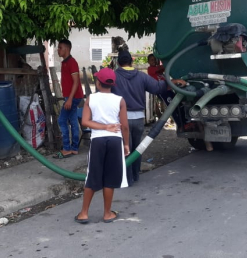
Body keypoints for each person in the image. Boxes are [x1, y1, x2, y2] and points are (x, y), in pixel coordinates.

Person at [75, 67, 129, 224]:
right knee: (110, 177)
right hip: (115, 141)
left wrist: (103, 127)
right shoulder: (120, 100)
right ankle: (107, 213)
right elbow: (125, 126)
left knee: (93, 175)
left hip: (98, 141)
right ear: (112, 84)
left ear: (98, 83)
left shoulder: (91, 99)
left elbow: (85, 122)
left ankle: (84, 213)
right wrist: (126, 144)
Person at [112, 50, 170, 185]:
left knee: (125, 148)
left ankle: (127, 178)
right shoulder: (141, 76)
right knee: (136, 148)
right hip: (138, 119)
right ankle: (135, 175)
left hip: (122, 119)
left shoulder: (114, 76)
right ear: (131, 61)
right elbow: (157, 88)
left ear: (118, 62)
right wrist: (169, 80)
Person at [54, 39, 85, 158]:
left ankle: (66, 148)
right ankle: (74, 148)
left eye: (60, 47)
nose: (58, 50)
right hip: (72, 96)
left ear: (67, 49)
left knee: (62, 120)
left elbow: (76, 82)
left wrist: (70, 99)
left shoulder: (72, 62)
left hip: (73, 97)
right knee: (72, 121)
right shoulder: (65, 62)